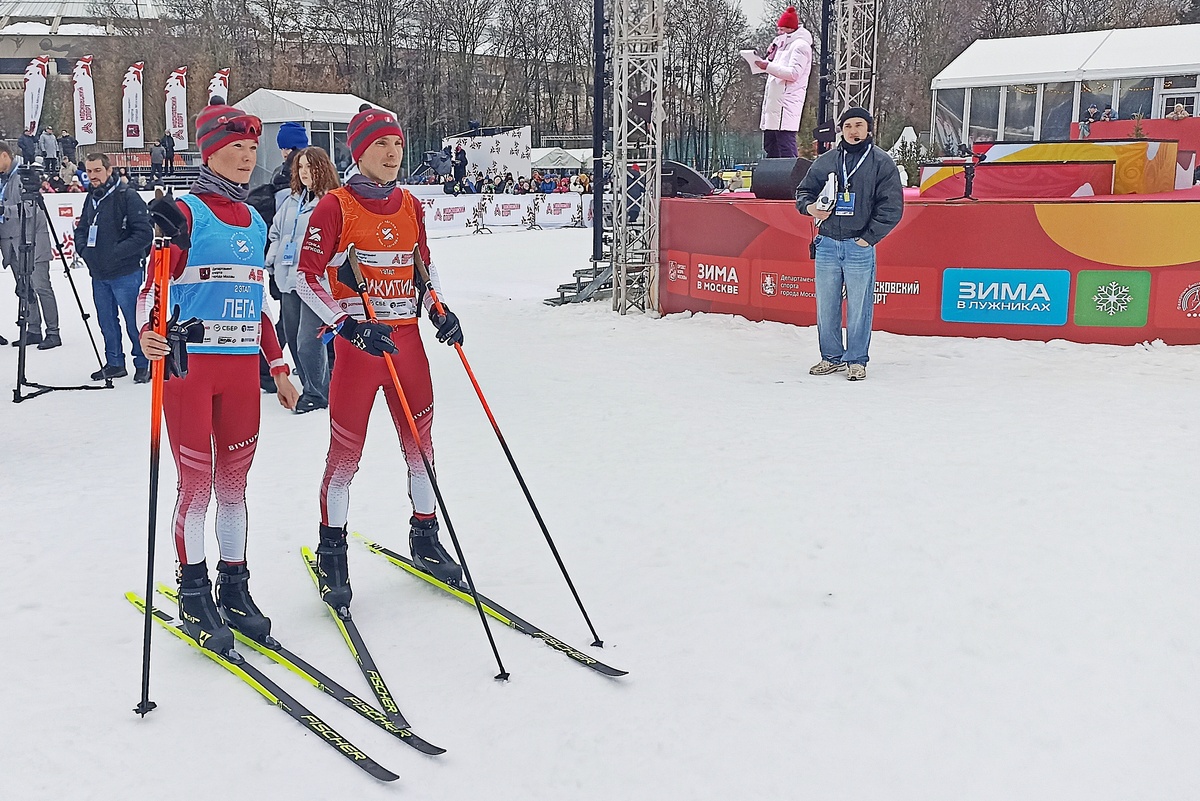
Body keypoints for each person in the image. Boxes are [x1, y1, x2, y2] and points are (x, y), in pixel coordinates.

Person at [137, 100, 299, 652]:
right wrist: (148, 332)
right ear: (209, 152)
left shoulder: (255, 220)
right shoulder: (183, 213)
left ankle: (234, 584)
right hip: (191, 371)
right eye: (236, 148)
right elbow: (151, 291)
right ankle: (192, 590)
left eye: (252, 148)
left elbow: (257, 304)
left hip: (240, 375)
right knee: (196, 486)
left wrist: (278, 366)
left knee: (234, 486)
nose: (247, 157)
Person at [296, 107, 466, 612]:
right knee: (345, 456)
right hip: (359, 349)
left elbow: (422, 268)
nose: (392, 154)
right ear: (359, 151)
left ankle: (425, 536)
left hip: (407, 343)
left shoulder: (411, 205)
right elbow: (305, 276)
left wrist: (439, 311)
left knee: (421, 447)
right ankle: (332, 552)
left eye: (397, 144)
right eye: (380, 145)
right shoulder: (335, 206)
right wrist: (346, 324)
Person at [795, 107, 903, 381]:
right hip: (827, 243)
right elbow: (803, 192)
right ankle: (831, 357)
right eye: (848, 126)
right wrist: (811, 209)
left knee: (859, 307)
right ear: (841, 131)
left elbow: (891, 207)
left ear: (868, 129)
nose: (853, 131)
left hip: (859, 245)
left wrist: (868, 239)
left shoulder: (881, 162)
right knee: (826, 306)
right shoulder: (827, 160)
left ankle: (856, 360)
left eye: (858, 125)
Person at [267, 146, 338, 413]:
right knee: (293, 337)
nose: (305, 172)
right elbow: (276, 232)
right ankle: (312, 386)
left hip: (316, 282)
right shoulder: (291, 201)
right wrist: (273, 260)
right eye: (300, 167)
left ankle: (317, 393)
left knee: (309, 340)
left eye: (310, 166)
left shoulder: (332, 201)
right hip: (288, 279)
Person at [75, 152, 154, 382]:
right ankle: (115, 363)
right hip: (99, 273)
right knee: (106, 322)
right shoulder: (91, 197)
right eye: (89, 171)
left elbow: (144, 234)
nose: (93, 176)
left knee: (133, 322)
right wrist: (84, 251)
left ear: (109, 170)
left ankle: (143, 363)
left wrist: (115, 253)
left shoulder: (127, 196)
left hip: (125, 272)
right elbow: (82, 229)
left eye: (97, 170)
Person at [0, 141, 61, 349]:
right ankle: (33, 329)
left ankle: (53, 332)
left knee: (41, 286)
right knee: (24, 288)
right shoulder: (3, 179)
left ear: (5, 155)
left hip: (32, 240)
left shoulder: (24, 175)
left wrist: (4, 210)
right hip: (10, 244)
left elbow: (31, 207)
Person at [754, 6, 813, 159]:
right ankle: (772, 174)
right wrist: (765, 61)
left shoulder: (800, 46)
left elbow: (793, 73)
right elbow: (775, 69)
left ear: (790, 29)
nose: (778, 32)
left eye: (781, 29)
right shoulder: (781, 46)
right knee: (771, 146)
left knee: (786, 147)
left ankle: (790, 175)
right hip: (774, 106)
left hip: (786, 106)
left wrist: (767, 66)